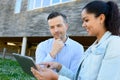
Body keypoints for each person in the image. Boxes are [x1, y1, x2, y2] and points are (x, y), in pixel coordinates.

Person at [31, 1, 120, 80]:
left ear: (101, 18)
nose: (83, 25)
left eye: (86, 20)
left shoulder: (114, 43)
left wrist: (56, 77)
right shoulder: (92, 47)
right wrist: (59, 67)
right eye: (52, 27)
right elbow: (77, 78)